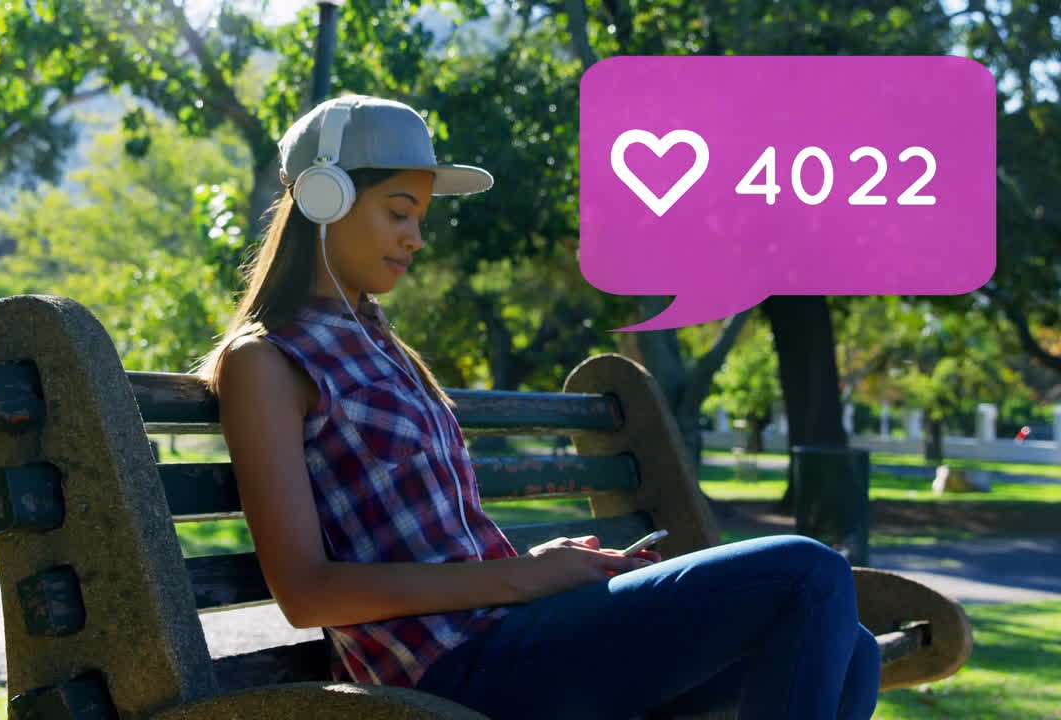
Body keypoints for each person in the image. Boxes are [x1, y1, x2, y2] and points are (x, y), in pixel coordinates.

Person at [193, 94, 879, 720]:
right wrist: (521, 577)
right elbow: (306, 593)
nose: (415, 239)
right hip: (450, 675)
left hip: (508, 638)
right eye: (398, 212)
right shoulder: (268, 362)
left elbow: (445, 547)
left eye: (420, 219)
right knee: (808, 572)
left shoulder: (376, 342)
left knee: (852, 644)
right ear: (322, 197)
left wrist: (540, 565)